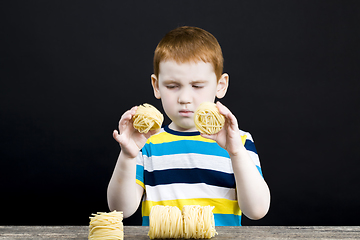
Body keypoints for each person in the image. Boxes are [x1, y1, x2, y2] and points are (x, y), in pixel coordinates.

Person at [107, 26, 270, 226]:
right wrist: (128, 156)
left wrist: (236, 152)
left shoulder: (238, 142)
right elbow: (120, 210)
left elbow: (257, 210)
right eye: (173, 86)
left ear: (221, 85)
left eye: (197, 86)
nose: (184, 98)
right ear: (156, 86)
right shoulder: (146, 143)